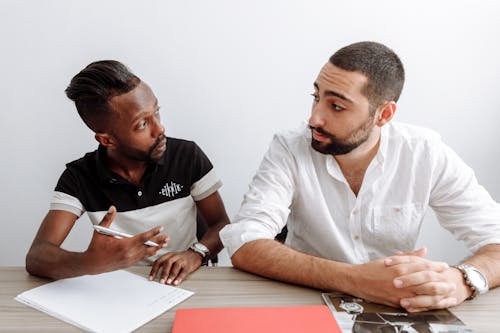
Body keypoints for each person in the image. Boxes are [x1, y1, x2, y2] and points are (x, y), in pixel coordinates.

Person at [220, 41, 500, 312]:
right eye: (316, 97)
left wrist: (463, 280)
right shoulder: (290, 147)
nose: (314, 118)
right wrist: (356, 279)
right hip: (303, 300)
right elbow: (245, 241)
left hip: (397, 306)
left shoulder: (424, 152)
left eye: (337, 106)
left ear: (383, 114)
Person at [26, 60, 230, 286]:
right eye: (142, 124)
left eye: (157, 112)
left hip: (188, 281)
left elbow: (221, 223)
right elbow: (37, 257)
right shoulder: (79, 177)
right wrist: (89, 263)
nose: (160, 128)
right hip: (122, 290)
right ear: (107, 140)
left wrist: (195, 254)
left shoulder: (187, 156)